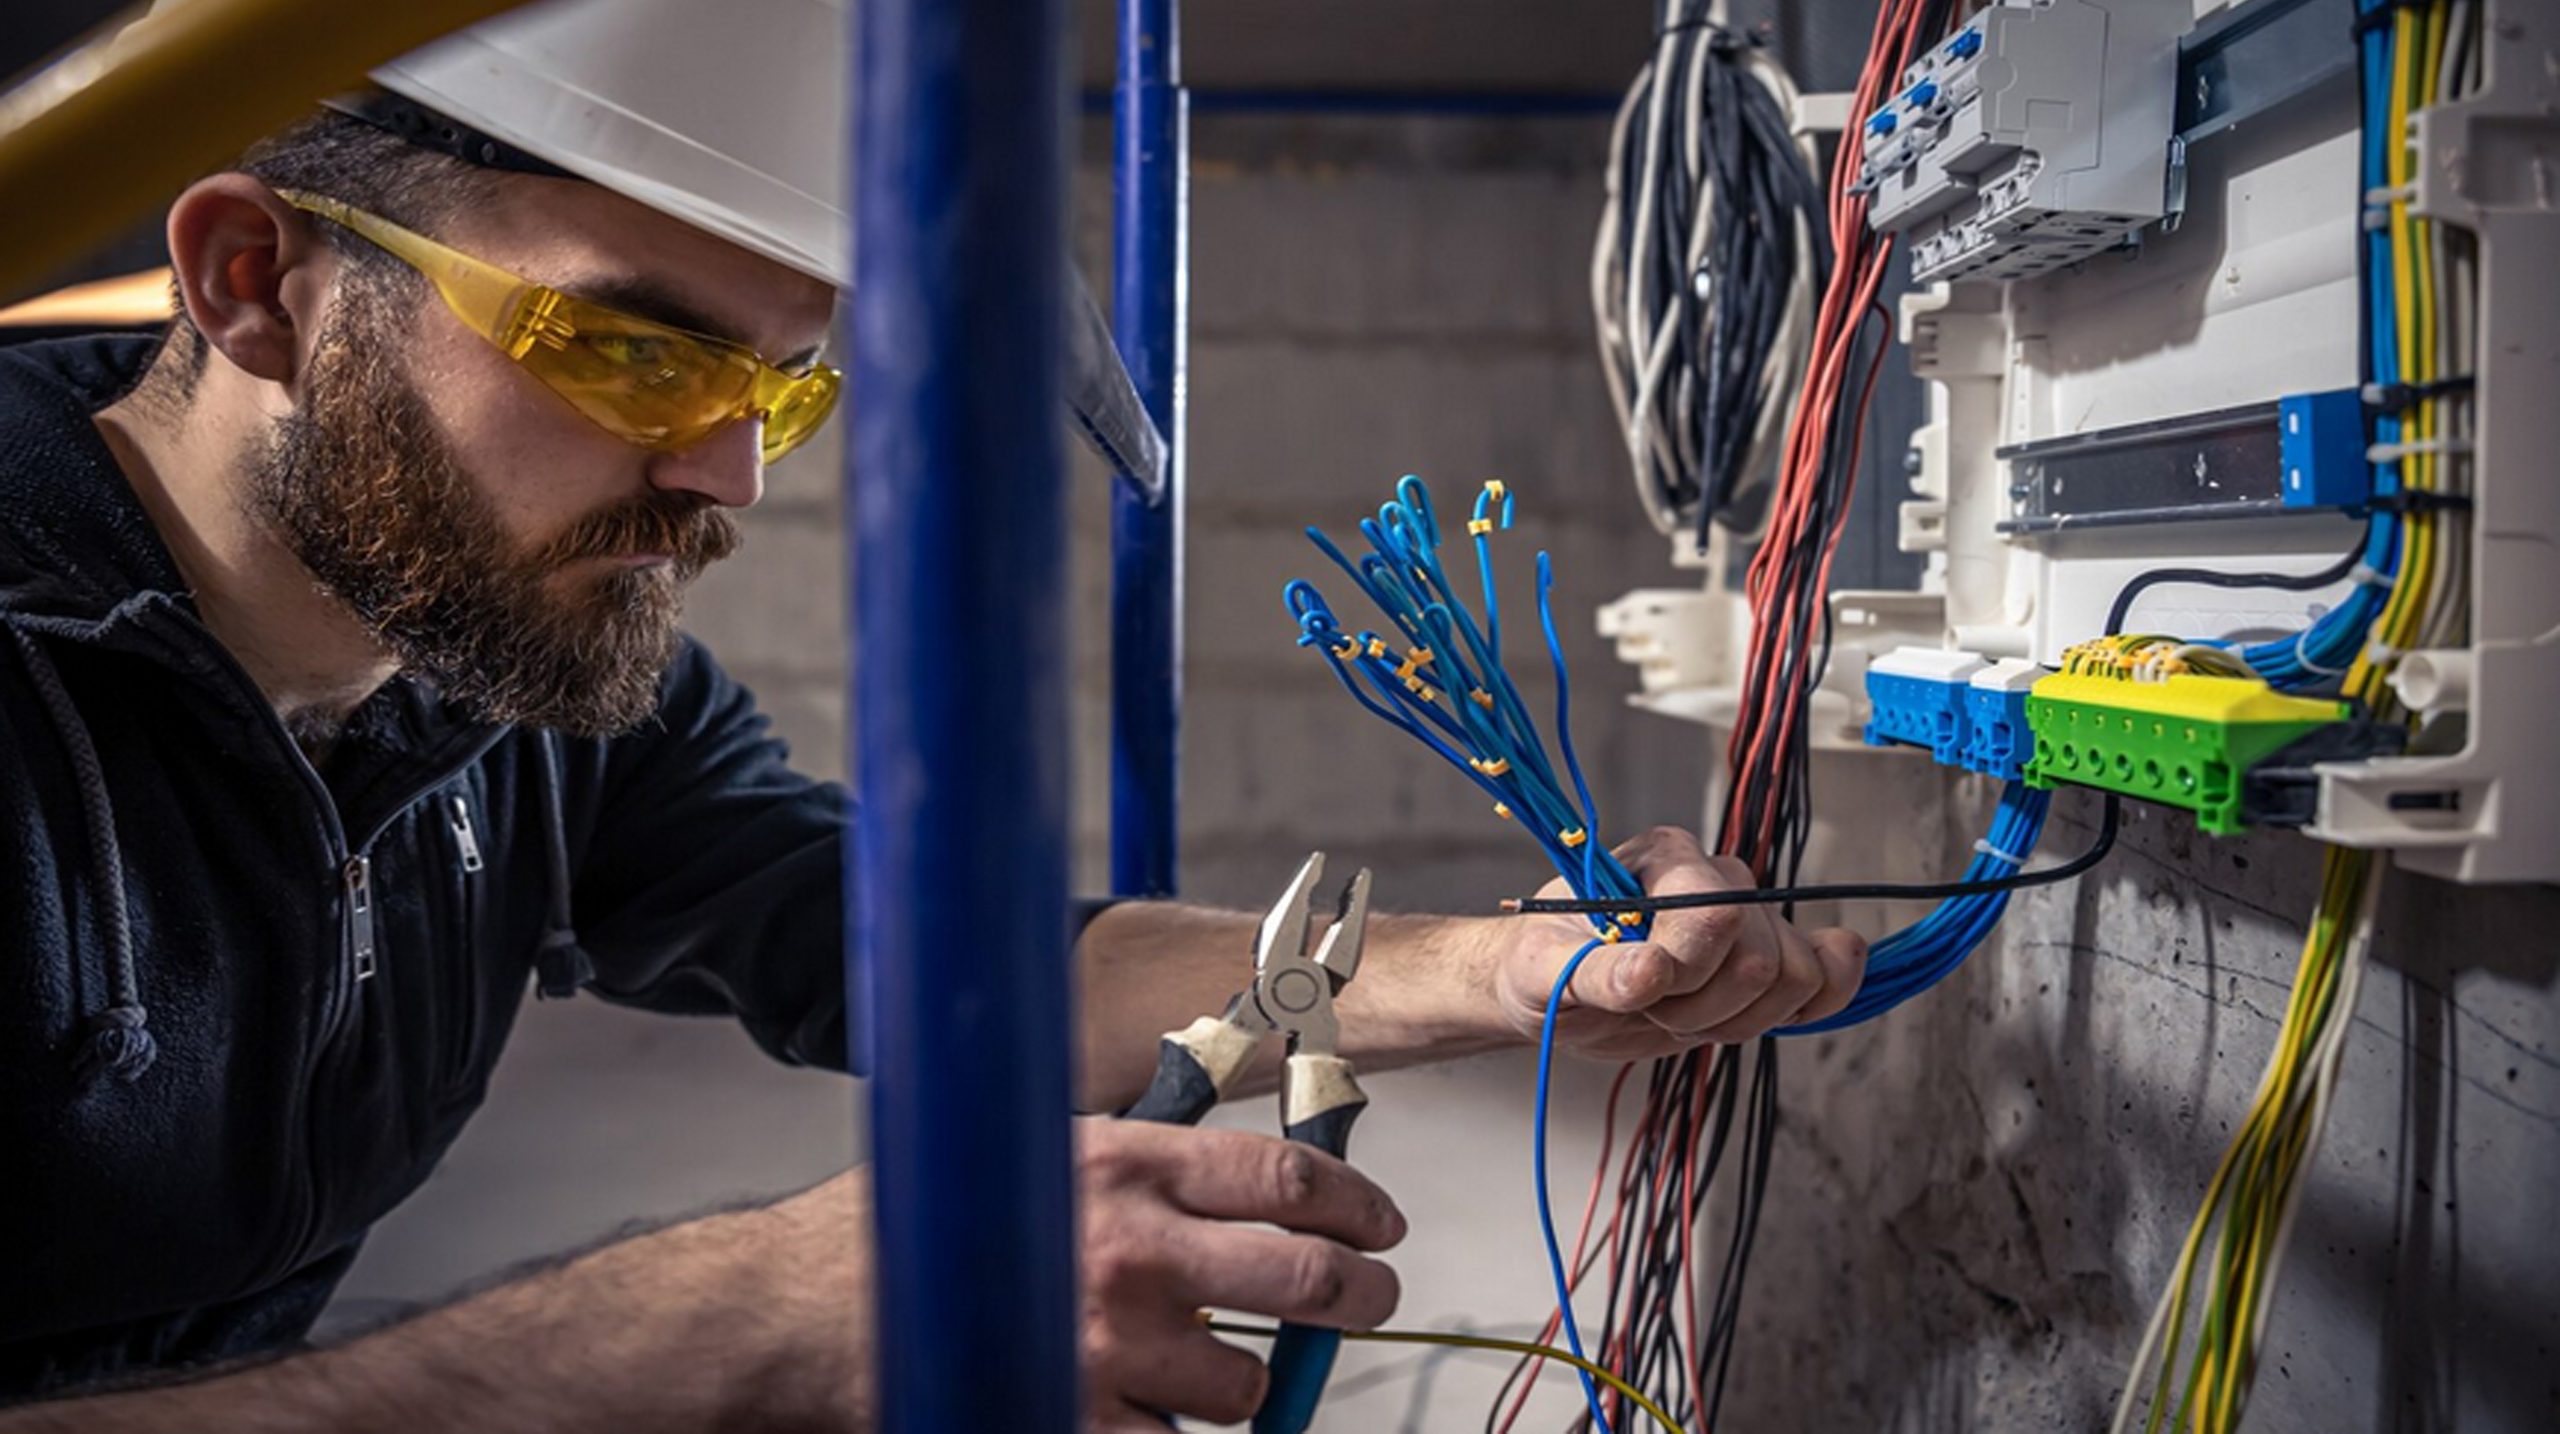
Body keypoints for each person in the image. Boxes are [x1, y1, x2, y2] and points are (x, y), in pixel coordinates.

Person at [0, 2, 1868, 1429]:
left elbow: (938, 956)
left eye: (781, 387)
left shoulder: (509, 672)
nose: (728, 475)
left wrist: (1503, 970)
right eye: (633, 351)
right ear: (256, 283)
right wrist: (740, 1313)